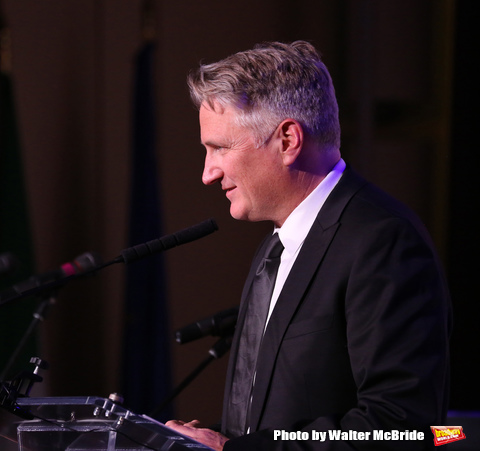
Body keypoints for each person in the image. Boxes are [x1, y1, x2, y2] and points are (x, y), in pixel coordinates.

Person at [165, 41, 451, 450]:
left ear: (287, 140)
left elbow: (399, 426)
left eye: (220, 148)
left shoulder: (382, 241)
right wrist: (199, 440)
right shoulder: (275, 249)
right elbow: (277, 420)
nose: (208, 173)